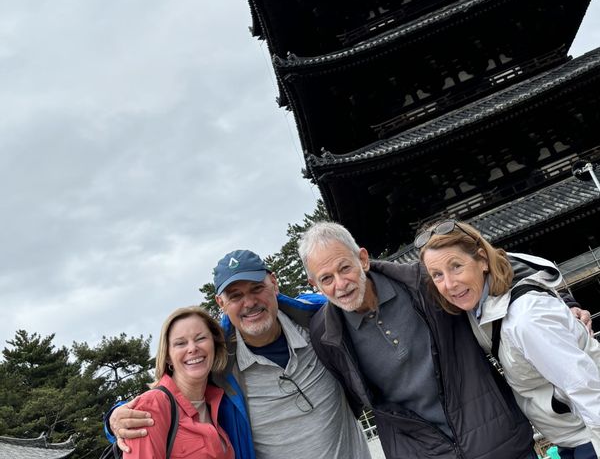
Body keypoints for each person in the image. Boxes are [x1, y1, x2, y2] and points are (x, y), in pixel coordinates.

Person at [299, 220, 558, 459]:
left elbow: (495, 267)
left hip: (498, 441)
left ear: (363, 259)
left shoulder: (422, 282)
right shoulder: (325, 335)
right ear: (314, 284)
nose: (341, 284)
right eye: (326, 279)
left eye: (345, 268)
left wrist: (562, 304)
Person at [107, 250, 370, 459]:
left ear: (274, 283)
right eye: (235, 295)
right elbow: (171, 395)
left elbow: (369, 297)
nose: (249, 302)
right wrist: (114, 418)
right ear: (221, 303)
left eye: (257, 288)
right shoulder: (220, 367)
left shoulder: (321, 323)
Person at [419, 219, 600, 459]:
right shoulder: (477, 306)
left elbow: (586, 387)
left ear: (482, 259)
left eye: (456, 266)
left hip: (589, 436)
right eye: (437, 275)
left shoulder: (527, 319)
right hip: (569, 437)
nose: (449, 284)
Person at [125, 305, 235, 459]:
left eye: (201, 338)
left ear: (214, 345)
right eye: (180, 343)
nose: (192, 348)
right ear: (168, 356)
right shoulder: (152, 405)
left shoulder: (219, 401)